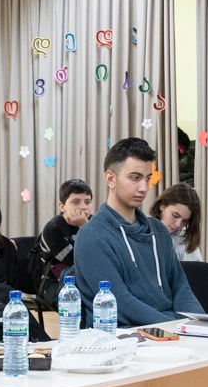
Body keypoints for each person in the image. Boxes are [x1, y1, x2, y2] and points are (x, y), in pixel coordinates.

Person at [72, 138, 199, 327]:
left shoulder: (159, 231)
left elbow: (181, 287)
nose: (144, 188)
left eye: (147, 179)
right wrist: (176, 328)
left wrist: (201, 325)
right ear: (110, 179)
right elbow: (121, 304)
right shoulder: (92, 236)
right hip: (127, 335)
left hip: (171, 330)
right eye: (135, 178)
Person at [37, 178, 94, 292]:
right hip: (55, 281)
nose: (83, 207)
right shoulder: (53, 228)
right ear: (62, 206)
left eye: (87, 202)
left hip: (87, 277)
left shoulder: (93, 222)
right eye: (76, 202)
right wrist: (84, 227)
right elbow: (76, 261)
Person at [151, 183, 205, 263]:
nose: (178, 224)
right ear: (162, 206)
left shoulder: (185, 238)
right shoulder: (142, 231)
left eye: (185, 221)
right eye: (175, 215)